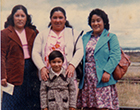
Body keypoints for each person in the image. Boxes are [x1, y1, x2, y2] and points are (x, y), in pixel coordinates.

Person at [77, 8, 121, 110]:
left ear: (104, 22)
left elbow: (115, 55)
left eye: (98, 20)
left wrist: (107, 71)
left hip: (102, 77)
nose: (95, 23)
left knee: (103, 107)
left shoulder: (111, 37)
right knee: (89, 106)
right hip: (87, 79)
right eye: (93, 21)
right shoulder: (85, 37)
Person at [32, 6, 83, 94]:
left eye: (60, 17)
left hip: (68, 75)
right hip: (48, 77)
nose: (57, 20)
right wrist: (42, 68)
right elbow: (35, 53)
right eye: (54, 17)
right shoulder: (42, 35)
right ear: (50, 19)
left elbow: (80, 50)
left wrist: (72, 65)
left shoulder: (73, 33)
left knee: (69, 103)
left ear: (65, 19)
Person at [1, 5, 41, 110]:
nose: (20, 18)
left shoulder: (33, 32)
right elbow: (2, 55)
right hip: (13, 73)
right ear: (12, 17)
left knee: (30, 103)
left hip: (31, 72)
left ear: (26, 18)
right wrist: (3, 75)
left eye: (22, 16)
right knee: (11, 103)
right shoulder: (4, 33)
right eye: (17, 15)